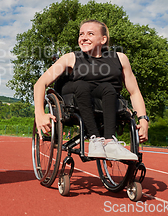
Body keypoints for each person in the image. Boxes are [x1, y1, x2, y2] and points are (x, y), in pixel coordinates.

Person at [34, 19, 149, 161]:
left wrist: (143, 120)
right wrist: (39, 114)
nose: (84, 37)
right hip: (73, 96)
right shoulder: (70, 58)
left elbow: (134, 92)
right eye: (81, 34)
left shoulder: (120, 58)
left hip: (103, 99)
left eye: (90, 34)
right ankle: (95, 140)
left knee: (109, 88)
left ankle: (109, 142)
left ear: (103, 39)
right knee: (83, 85)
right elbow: (40, 83)